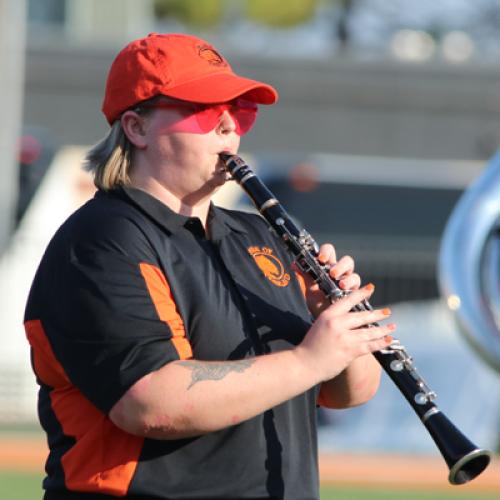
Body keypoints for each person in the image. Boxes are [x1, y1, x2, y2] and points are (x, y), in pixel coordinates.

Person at [24, 33, 395, 500]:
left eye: (239, 111)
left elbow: (348, 393)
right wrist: (309, 359)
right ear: (137, 128)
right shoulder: (102, 240)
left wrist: (339, 330)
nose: (229, 126)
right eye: (204, 109)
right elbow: (151, 402)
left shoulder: (261, 234)